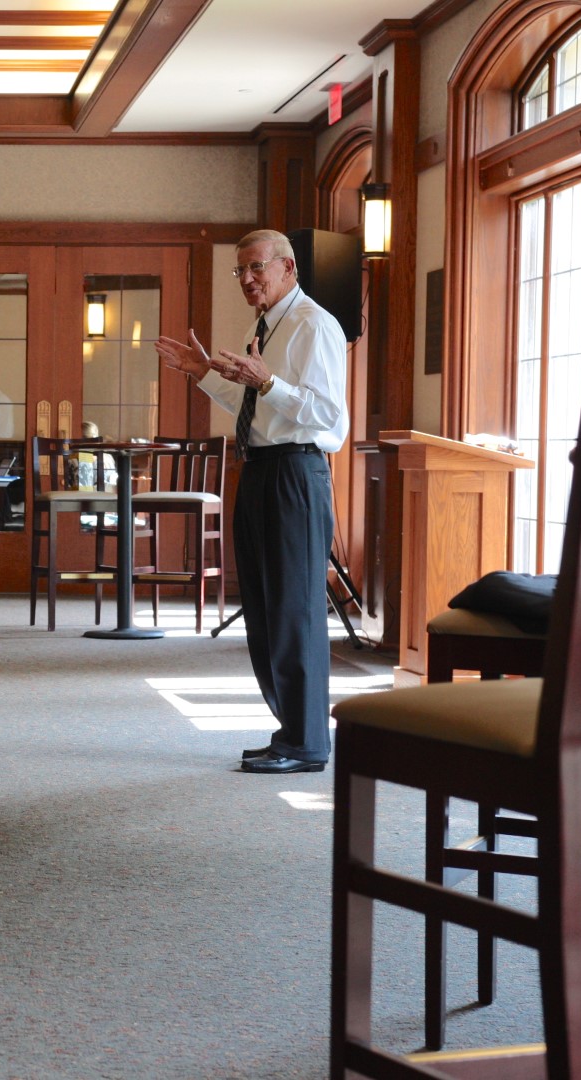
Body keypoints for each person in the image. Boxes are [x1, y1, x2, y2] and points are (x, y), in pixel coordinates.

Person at [154, 229, 347, 775]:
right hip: (260, 472)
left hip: (296, 475)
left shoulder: (315, 324)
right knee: (263, 610)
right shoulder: (265, 324)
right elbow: (254, 400)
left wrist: (268, 384)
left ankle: (309, 743)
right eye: (240, 271)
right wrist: (207, 375)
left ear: (288, 267)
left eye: (256, 268)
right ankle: (290, 731)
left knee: (295, 612)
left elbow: (328, 417)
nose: (247, 279)